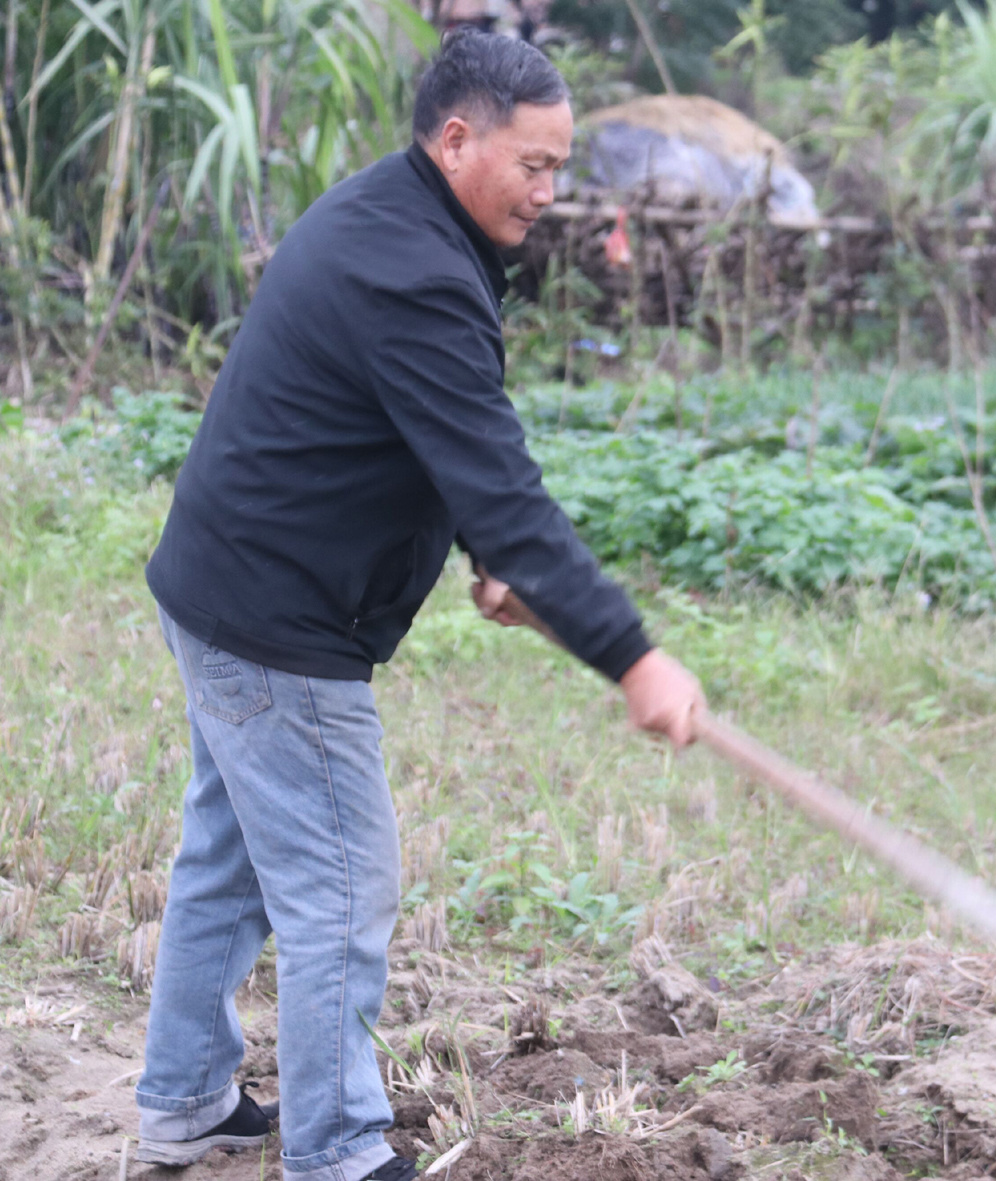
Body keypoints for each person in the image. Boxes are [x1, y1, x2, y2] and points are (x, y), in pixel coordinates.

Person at [132, 29, 706, 1181]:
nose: (550, 193)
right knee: (343, 883)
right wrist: (633, 656)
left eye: (559, 168)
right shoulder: (414, 269)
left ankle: (185, 1099)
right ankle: (339, 1151)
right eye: (532, 166)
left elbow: (393, 438)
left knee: (228, 859)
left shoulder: (389, 218)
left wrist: (482, 553)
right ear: (456, 139)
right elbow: (504, 487)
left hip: (222, 581)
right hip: (275, 621)